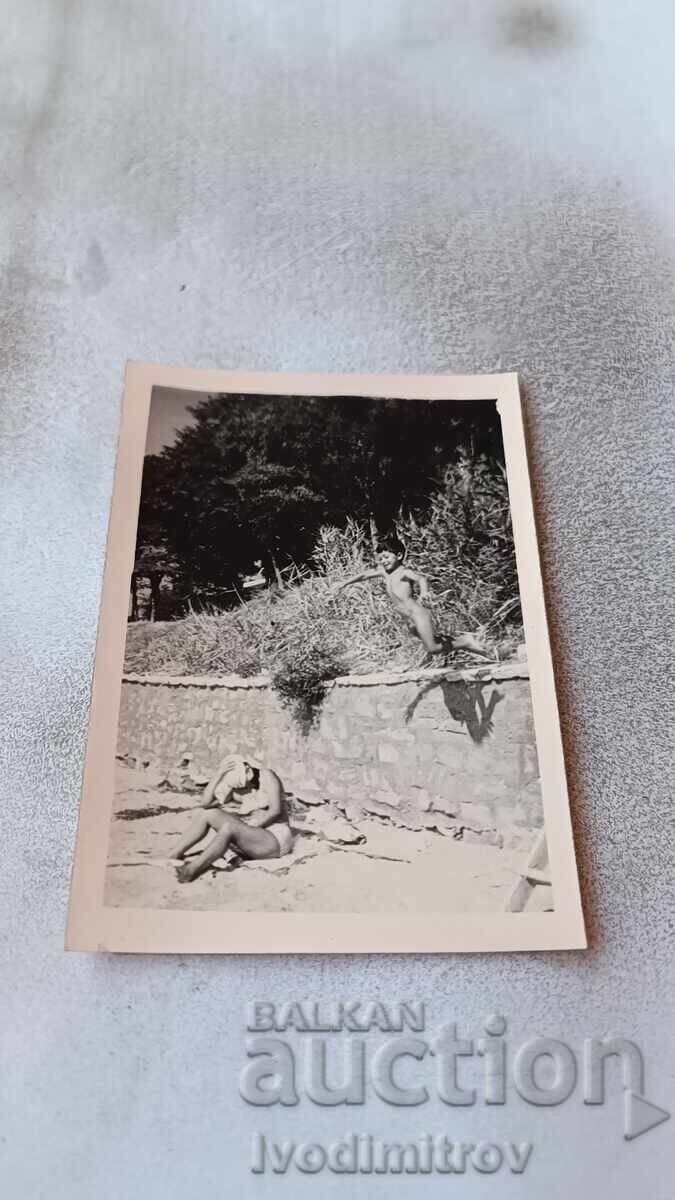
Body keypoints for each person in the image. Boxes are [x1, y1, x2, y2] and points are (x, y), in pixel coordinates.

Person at [335, 534, 490, 658]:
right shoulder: (384, 573)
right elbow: (364, 575)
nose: (384, 561)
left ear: (399, 555)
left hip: (417, 613)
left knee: (433, 648)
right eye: (381, 558)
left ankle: (466, 642)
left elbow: (421, 578)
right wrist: (343, 583)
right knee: (430, 641)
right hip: (409, 620)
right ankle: (464, 644)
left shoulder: (404, 572)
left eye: (387, 557)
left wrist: (424, 593)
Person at [171, 755, 293, 883]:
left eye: (246, 780)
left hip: (276, 839)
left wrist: (245, 829)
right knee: (207, 814)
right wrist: (219, 774)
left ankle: (191, 870)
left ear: (248, 768)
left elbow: (275, 811)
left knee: (229, 827)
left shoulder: (267, 776)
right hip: (254, 838)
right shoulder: (237, 788)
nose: (245, 787)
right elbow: (206, 803)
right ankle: (173, 855)